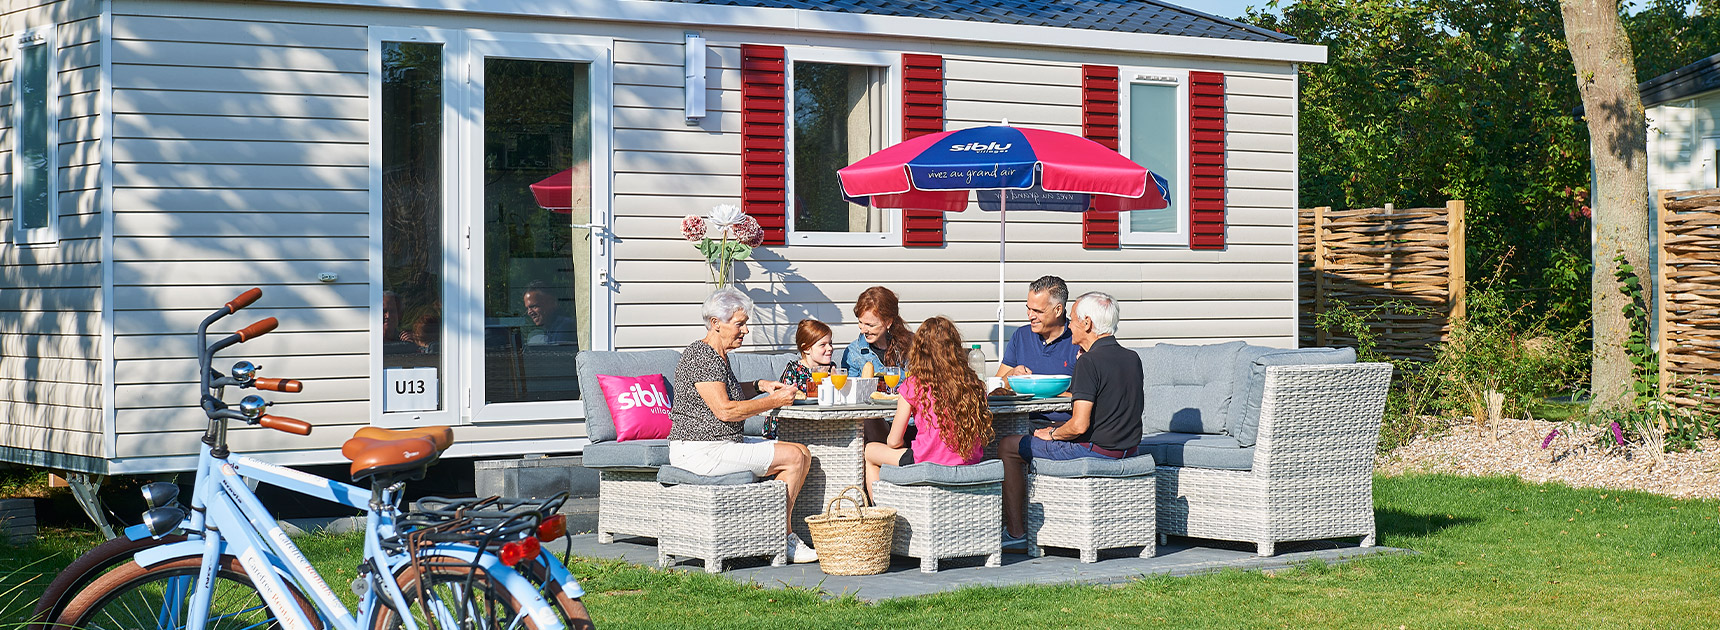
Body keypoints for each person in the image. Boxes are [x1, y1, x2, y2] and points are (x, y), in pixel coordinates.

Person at [666, 288, 818, 564]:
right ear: (716, 323)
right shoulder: (701, 356)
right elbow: (725, 410)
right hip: (701, 450)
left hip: (721, 444)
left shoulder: (717, 355)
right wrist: (773, 401)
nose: (746, 330)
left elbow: (727, 392)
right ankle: (781, 538)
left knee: (803, 452)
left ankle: (771, 533)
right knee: (794, 457)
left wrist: (760, 385)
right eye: (740, 324)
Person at [998, 291, 1144, 546]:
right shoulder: (1132, 358)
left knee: (1008, 446)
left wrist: (1051, 434)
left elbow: (1079, 425)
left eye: (1074, 319)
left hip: (1094, 451)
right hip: (1127, 450)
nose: (1070, 325)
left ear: (1087, 323)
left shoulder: (1089, 362)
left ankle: (1016, 533)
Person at [862, 316, 994, 502]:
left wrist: (908, 444)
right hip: (969, 464)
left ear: (919, 350)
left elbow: (893, 441)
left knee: (870, 451)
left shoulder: (914, 384)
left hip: (926, 464)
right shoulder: (974, 384)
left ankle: (881, 511)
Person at [996, 275, 1079, 425]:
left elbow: (1090, 399)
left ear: (1058, 310)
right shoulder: (1021, 336)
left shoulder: (1079, 339)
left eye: (1037, 311)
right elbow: (996, 390)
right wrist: (1012, 375)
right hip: (1021, 423)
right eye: (1028, 309)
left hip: (1064, 425)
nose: (1030, 316)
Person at [840, 287, 916, 444]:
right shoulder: (854, 352)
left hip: (912, 422)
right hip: (877, 426)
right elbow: (851, 400)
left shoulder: (912, 345)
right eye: (860, 322)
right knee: (867, 417)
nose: (863, 330)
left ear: (888, 322)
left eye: (870, 325)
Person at [768, 319, 835, 439]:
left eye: (830, 343)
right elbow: (780, 401)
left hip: (823, 426)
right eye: (823, 345)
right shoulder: (794, 370)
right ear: (806, 348)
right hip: (793, 428)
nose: (830, 348)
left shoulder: (831, 369)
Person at [523, 282, 578, 348]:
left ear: (552, 303)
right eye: (528, 308)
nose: (529, 312)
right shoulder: (550, 329)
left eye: (534, 306)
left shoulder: (565, 328)